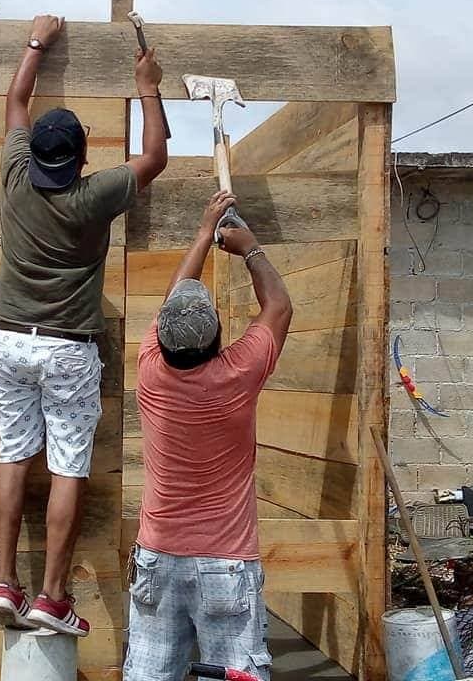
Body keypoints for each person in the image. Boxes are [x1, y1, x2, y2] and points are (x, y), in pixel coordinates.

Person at [0, 14, 169, 637]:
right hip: (67, 349)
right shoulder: (93, 197)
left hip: (9, 340)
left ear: (35, 154)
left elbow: (15, 98)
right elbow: (154, 157)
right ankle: (52, 597)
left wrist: (38, 41)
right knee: (67, 465)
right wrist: (148, 85)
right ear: (82, 157)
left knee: (13, 458)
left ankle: (5, 582)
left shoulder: (15, 176)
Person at [123, 190, 293, 681]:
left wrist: (202, 232)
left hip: (158, 558)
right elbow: (278, 306)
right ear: (219, 337)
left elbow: (173, 302)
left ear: (164, 337)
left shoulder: (151, 369)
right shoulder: (237, 373)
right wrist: (250, 249)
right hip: (225, 563)